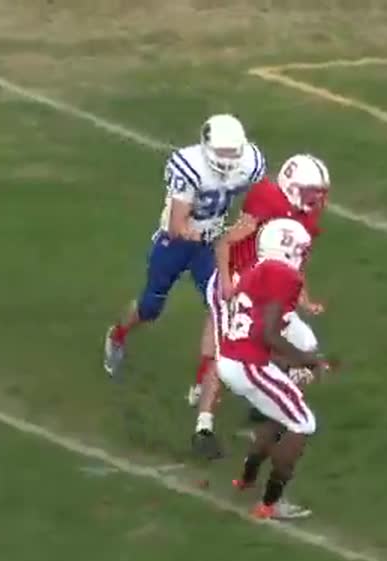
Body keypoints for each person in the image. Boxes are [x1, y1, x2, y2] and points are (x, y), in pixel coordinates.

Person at [189, 153, 329, 458]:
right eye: (310, 192)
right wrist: (227, 282)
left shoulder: (305, 216)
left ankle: (267, 403)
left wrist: (303, 299)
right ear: (291, 186)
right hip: (239, 282)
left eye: (319, 193)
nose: (316, 200)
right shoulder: (268, 200)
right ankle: (204, 427)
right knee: (227, 354)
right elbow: (225, 242)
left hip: (267, 289)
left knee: (305, 342)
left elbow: (295, 263)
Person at [104, 114, 264, 377]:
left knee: (221, 305)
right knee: (149, 308)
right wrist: (219, 235)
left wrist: (243, 228)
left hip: (209, 246)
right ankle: (118, 335)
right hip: (175, 244)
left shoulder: (250, 163)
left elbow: (257, 202)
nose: (228, 157)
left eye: (233, 151)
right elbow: (177, 225)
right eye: (223, 151)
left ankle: (204, 378)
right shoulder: (190, 166)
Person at [214, 218, 331, 520]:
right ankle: (269, 504)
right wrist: (308, 360)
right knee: (303, 422)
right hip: (249, 363)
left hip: (233, 356)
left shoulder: (255, 270)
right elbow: (268, 333)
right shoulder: (283, 276)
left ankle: (246, 479)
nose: (304, 256)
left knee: (280, 417)